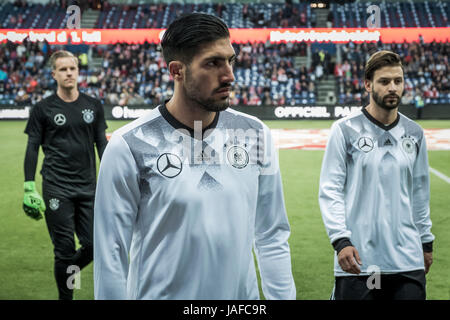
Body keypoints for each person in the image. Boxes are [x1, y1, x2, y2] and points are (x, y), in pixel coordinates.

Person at [94, 13, 296, 300]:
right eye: (213, 63)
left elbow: (272, 235)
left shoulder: (255, 134)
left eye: (230, 60)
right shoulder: (129, 146)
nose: (229, 75)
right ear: (177, 71)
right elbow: (111, 254)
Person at [319, 50, 434, 300]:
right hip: (359, 260)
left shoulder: (415, 133)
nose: (393, 87)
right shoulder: (344, 130)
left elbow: (420, 193)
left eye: (398, 81)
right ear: (368, 84)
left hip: (407, 261)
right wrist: (340, 240)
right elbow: (330, 190)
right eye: (384, 81)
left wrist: (425, 242)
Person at [23, 50, 108, 300]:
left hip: (89, 188)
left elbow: (102, 144)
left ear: (78, 72)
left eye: (72, 68)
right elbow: (32, 148)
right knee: (64, 250)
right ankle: (66, 297)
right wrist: (29, 185)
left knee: (94, 246)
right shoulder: (42, 108)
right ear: (54, 74)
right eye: (63, 69)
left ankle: (67, 270)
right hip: (56, 187)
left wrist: (113, 175)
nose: (69, 73)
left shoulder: (93, 105)